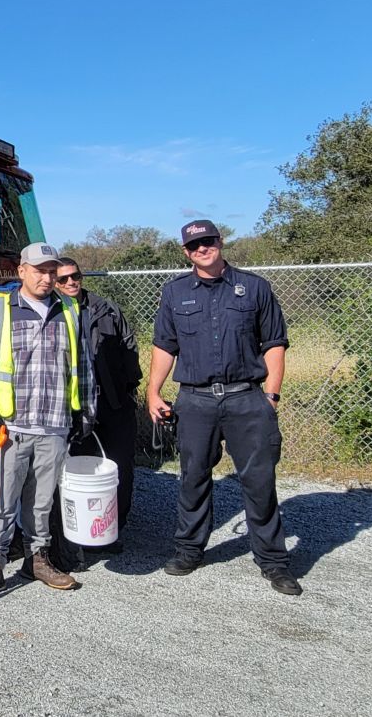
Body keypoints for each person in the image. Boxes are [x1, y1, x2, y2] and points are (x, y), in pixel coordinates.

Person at [146, 220, 300, 596]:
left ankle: (273, 561)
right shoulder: (174, 292)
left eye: (208, 241)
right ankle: (189, 551)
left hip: (246, 397)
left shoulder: (255, 287)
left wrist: (271, 396)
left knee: (258, 481)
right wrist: (153, 391)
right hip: (195, 400)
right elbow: (165, 345)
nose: (202, 248)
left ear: (220, 241)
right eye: (194, 245)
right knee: (193, 478)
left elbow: (274, 344)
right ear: (185, 251)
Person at [0, 242, 96, 597]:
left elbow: (82, 364)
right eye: (39, 270)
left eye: (51, 271)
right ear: (21, 271)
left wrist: (86, 409)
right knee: (0, 501)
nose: (47, 277)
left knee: (41, 501)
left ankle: (37, 559)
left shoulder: (68, 310)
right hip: (11, 427)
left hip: (54, 424)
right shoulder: (0, 309)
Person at [55, 257, 142, 538]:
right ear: (55, 283)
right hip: (75, 406)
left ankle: (114, 527)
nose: (71, 282)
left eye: (75, 276)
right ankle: (78, 532)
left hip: (112, 402)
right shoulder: (53, 312)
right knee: (77, 469)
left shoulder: (106, 309)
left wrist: (128, 387)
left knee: (119, 466)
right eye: (63, 279)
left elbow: (129, 346)